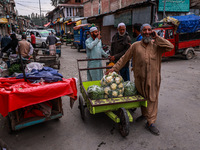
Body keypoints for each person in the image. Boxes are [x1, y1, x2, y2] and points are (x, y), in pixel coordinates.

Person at [107, 24, 174, 135]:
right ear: (141, 32)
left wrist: (157, 38)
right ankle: (144, 114)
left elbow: (170, 46)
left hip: (153, 78)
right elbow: (124, 58)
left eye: (149, 30)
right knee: (142, 97)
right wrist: (114, 69)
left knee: (152, 98)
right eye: (144, 30)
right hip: (140, 78)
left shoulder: (157, 45)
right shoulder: (135, 45)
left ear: (152, 32)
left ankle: (150, 122)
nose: (147, 32)